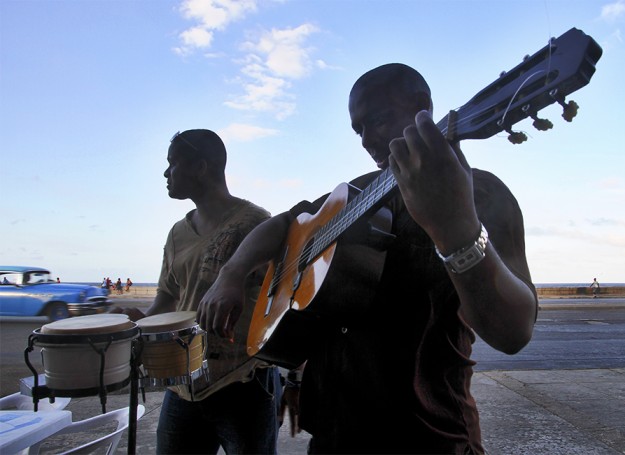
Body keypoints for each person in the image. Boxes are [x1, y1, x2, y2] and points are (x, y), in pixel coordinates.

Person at [198, 64, 538, 454]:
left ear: (422, 107)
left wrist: (456, 228)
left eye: (377, 120)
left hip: (428, 436)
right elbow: (283, 223)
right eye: (358, 129)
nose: (366, 140)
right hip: (332, 434)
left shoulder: (482, 194)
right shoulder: (357, 192)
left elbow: (515, 330)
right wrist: (231, 274)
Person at [112, 129, 282, 454]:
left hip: (243, 383)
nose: (165, 173)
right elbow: (166, 299)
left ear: (200, 167)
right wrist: (140, 322)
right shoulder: (177, 233)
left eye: (172, 163)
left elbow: (280, 301)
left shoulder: (256, 223)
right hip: (182, 384)